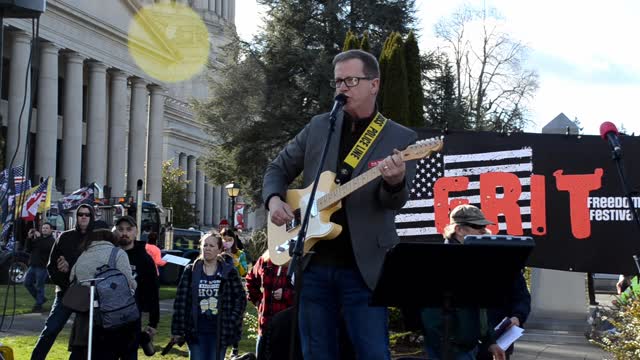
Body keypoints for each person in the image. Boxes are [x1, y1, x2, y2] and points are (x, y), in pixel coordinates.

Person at [262, 49, 418, 360]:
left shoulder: (400, 137)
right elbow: (277, 168)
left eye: (351, 80)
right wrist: (274, 199)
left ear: (374, 84)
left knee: (372, 352)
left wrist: (394, 180)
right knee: (316, 352)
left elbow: (395, 202)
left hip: (363, 269)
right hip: (313, 264)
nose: (342, 88)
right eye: (337, 82)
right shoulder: (321, 126)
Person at [422, 204, 505, 360]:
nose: (483, 230)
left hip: (468, 347)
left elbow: (481, 308)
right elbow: (430, 315)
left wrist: (490, 342)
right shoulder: (438, 262)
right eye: (476, 226)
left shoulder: (476, 261)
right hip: (450, 349)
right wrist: (447, 345)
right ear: (459, 230)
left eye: (484, 226)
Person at [31, 204, 95, 360]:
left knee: (85, 335)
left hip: (88, 293)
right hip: (65, 292)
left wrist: (70, 266)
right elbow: (51, 266)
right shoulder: (65, 237)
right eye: (80, 214)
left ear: (92, 217)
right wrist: (64, 281)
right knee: (51, 329)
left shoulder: (97, 239)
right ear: (77, 217)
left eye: (87, 214)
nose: (84, 217)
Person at [171, 231, 247, 360]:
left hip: (220, 331)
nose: (207, 249)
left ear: (219, 249)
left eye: (211, 246)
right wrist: (177, 330)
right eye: (205, 245)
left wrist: (231, 320)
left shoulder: (229, 272)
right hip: (195, 330)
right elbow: (180, 302)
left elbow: (240, 299)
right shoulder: (191, 271)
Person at [67, 226, 137, 359]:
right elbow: (128, 282)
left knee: (81, 353)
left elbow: (72, 279)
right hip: (110, 316)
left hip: (84, 315)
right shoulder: (118, 253)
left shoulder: (83, 255)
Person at [115, 215, 160, 359]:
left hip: (132, 317)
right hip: (108, 317)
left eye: (129, 229)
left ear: (136, 232)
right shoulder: (110, 254)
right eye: (121, 229)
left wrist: (153, 322)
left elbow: (153, 291)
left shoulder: (144, 259)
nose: (124, 233)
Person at [246, 250, 295, 356]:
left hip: (288, 329)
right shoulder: (265, 259)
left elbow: (307, 292)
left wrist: (286, 294)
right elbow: (250, 281)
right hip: (265, 325)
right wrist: (260, 302)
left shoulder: (298, 260)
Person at [24, 223, 55, 312]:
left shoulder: (51, 240)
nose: (44, 229)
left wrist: (38, 238)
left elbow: (45, 248)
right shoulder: (38, 239)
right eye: (43, 228)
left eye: (46, 228)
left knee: (39, 286)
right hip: (33, 265)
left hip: (42, 267)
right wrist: (29, 238)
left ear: (51, 230)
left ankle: (38, 305)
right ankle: (41, 299)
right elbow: (28, 249)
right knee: (27, 283)